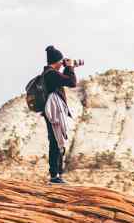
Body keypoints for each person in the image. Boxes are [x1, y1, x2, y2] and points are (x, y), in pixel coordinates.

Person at [43, 45, 77, 184]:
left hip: (52, 111)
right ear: (57, 61)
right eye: (61, 61)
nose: (62, 63)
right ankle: (54, 175)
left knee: (57, 140)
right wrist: (69, 68)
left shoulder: (49, 73)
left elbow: (65, 80)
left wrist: (67, 69)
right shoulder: (51, 74)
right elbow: (72, 82)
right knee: (56, 141)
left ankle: (57, 175)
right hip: (54, 111)